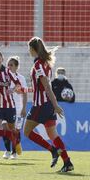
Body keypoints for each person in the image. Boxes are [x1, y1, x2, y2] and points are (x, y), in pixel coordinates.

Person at [24, 37, 73, 172]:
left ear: (34, 49)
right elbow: (41, 86)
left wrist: (56, 105)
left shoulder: (38, 65)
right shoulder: (46, 64)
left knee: (27, 131)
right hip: (48, 105)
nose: (28, 51)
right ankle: (67, 162)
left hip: (41, 105)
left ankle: (52, 150)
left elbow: (46, 86)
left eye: (29, 48)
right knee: (53, 135)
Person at [0, 52, 21, 162]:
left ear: (2, 59)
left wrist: (12, 90)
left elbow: (18, 85)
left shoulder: (8, 72)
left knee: (11, 129)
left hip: (9, 106)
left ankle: (13, 150)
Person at [5, 56, 28, 159]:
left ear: (16, 66)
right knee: (5, 127)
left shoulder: (21, 78)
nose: (9, 67)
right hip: (7, 106)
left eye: (11, 65)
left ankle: (14, 152)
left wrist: (24, 108)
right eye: (8, 65)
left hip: (18, 107)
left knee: (16, 131)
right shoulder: (4, 77)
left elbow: (25, 93)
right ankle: (7, 151)